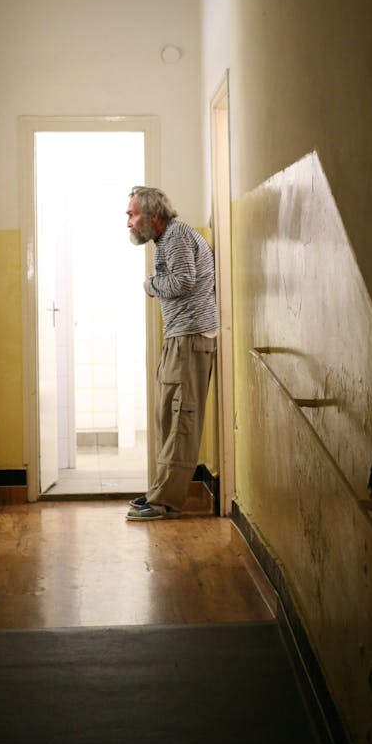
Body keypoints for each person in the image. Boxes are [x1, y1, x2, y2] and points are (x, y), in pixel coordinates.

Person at [125, 186, 218, 520]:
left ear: (153, 216)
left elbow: (183, 282)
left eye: (132, 214)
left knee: (180, 420)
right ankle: (159, 490)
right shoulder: (165, 240)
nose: (129, 222)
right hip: (180, 336)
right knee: (167, 415)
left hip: (190, 338)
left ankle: (165, 501)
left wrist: (149, 285)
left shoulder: (176, 237)